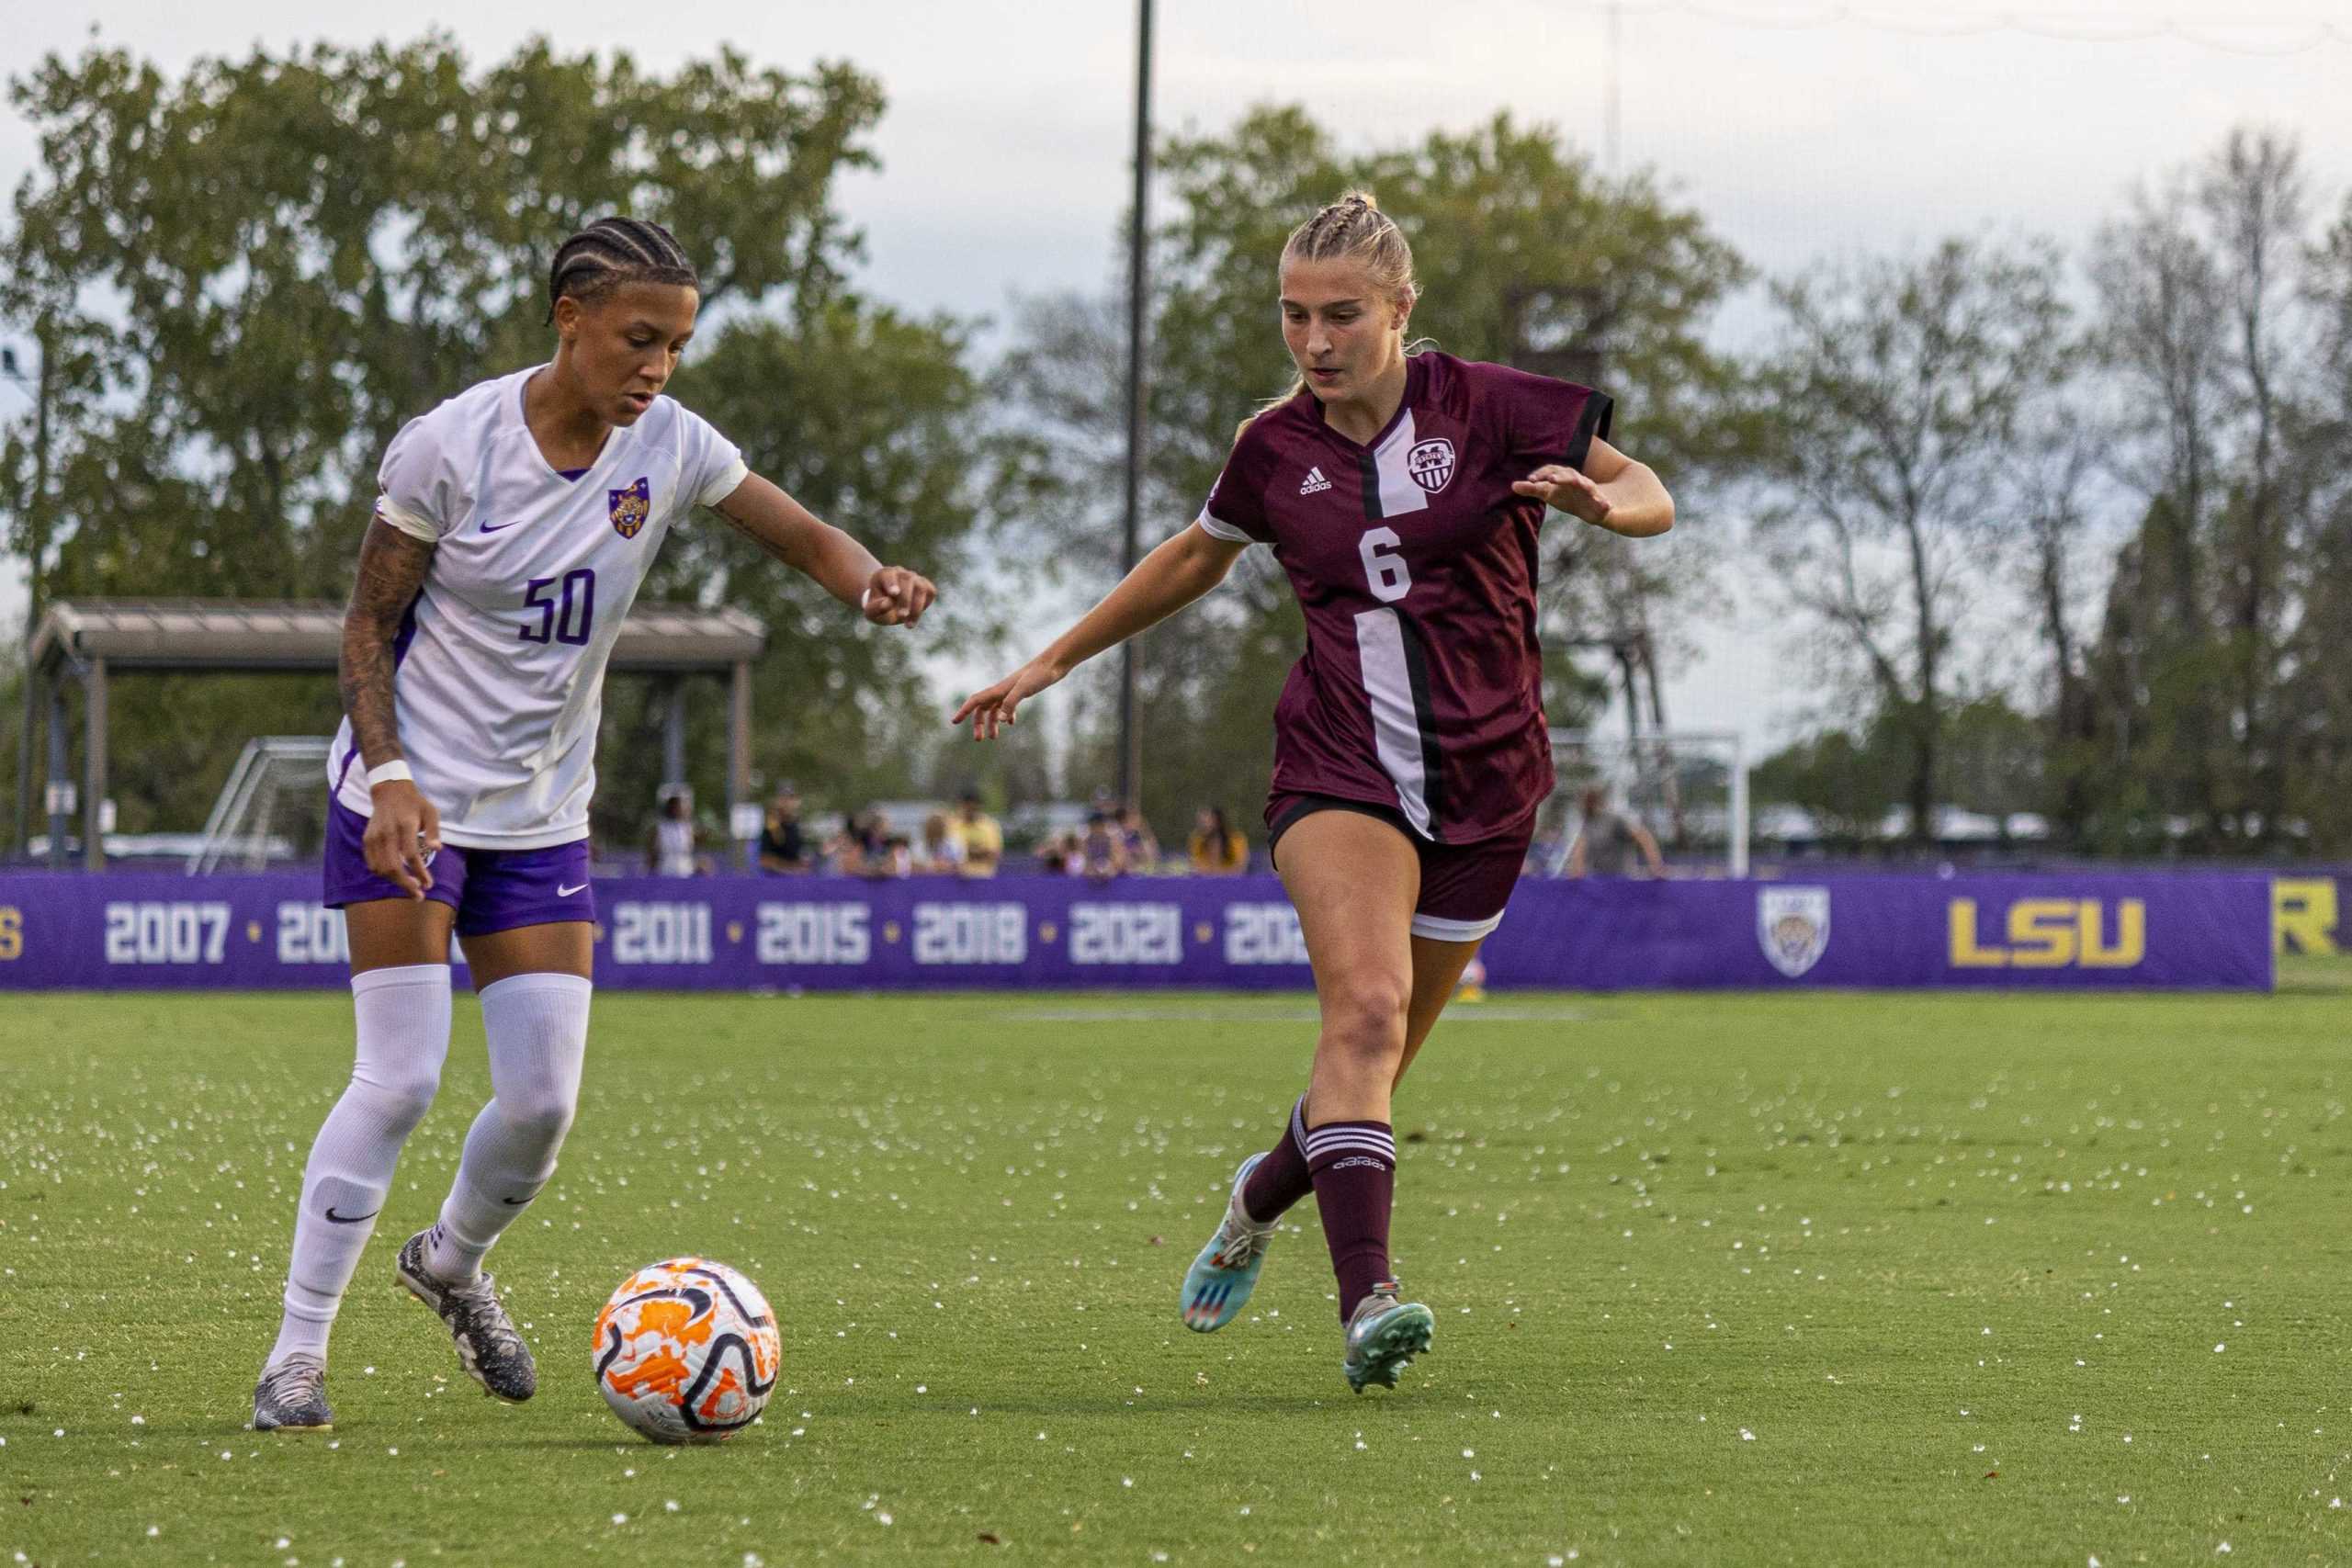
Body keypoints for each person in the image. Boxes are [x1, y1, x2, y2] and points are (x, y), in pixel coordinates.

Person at [953, 191, 1671, 1393]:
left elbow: (1644, 480)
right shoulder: (1274, 447)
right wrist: (1051, 659)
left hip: (1492, 791)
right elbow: (1193, 552)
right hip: (1341, 770)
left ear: (1402, 310)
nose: (1315, 339)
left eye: (1341, 314)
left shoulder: (1488, 405)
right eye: (1295, 315)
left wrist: (1612, 509)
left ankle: (1254, 1197)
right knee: (1369, 1013)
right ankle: (1367, 1303)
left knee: (1367, 1068)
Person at [254, 216, 936, 1434]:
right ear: (568, 319)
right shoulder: (450, 447)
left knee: (541, 1105)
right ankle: (296, 1359)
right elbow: (366, 626)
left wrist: (868, 577)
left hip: (541, 812)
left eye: (676, 344)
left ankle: (450, 1260)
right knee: (402, 1072)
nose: (659, 367)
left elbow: (798, 532)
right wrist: (396, 773)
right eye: (638, 338)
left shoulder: (669, 444)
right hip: (407, 795)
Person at [1564, 785, 1666, 878]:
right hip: (1599, 882)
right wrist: (1576, 868)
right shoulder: (1587, 824)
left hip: (1622, 881)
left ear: (1592, 801)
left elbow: (1644, 837)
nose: (1580, 805)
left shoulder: (1613, 820)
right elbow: (1580, 850)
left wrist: (1656, 865)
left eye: (1584, 801)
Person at [948, 786, 1002, 877]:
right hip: (957, 879)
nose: (970, 808)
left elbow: (994, 855)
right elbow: (948, 854)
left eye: (974, 805)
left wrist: (964, 852)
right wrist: (978, 851)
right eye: (967, 805)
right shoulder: (951, 825)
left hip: (984, 877)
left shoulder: (990, 825)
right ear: (961, 805)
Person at [757, 784, 808, 873]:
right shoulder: (772, 826)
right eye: (783, 798)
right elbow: (764, 860)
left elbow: (805, 856)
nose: (787, 803)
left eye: (790, 798)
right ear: (777, 801)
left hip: (798, 882)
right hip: (776, 881)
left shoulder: (798, 826)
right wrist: (791, 868)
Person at [648, 789, 700, 876]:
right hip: (666, 869)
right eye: (679, 806)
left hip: (685, 869)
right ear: (672, 808)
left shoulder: (688, 827)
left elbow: (690, 849)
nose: (683, 809)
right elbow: (653, 852)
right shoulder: (660, 828)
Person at [1188, 807, 1250, 875]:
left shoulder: (1236, 839)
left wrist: (1221, 873)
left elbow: (1241, 867)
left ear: (1218, 821)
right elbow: (1195, 866)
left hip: (1231, 882)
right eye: (1201, 821)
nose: (1203, 824)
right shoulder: (1197, 841)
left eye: (1207, 821)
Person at [916, 810, 966, 874]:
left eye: (938, 824)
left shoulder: (954, 844)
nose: (935, 827)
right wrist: (932, 865)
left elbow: (961, 863)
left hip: (950, 878)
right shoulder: (919, 845)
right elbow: (915, 864)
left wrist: (948, 865)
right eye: (933, 824)